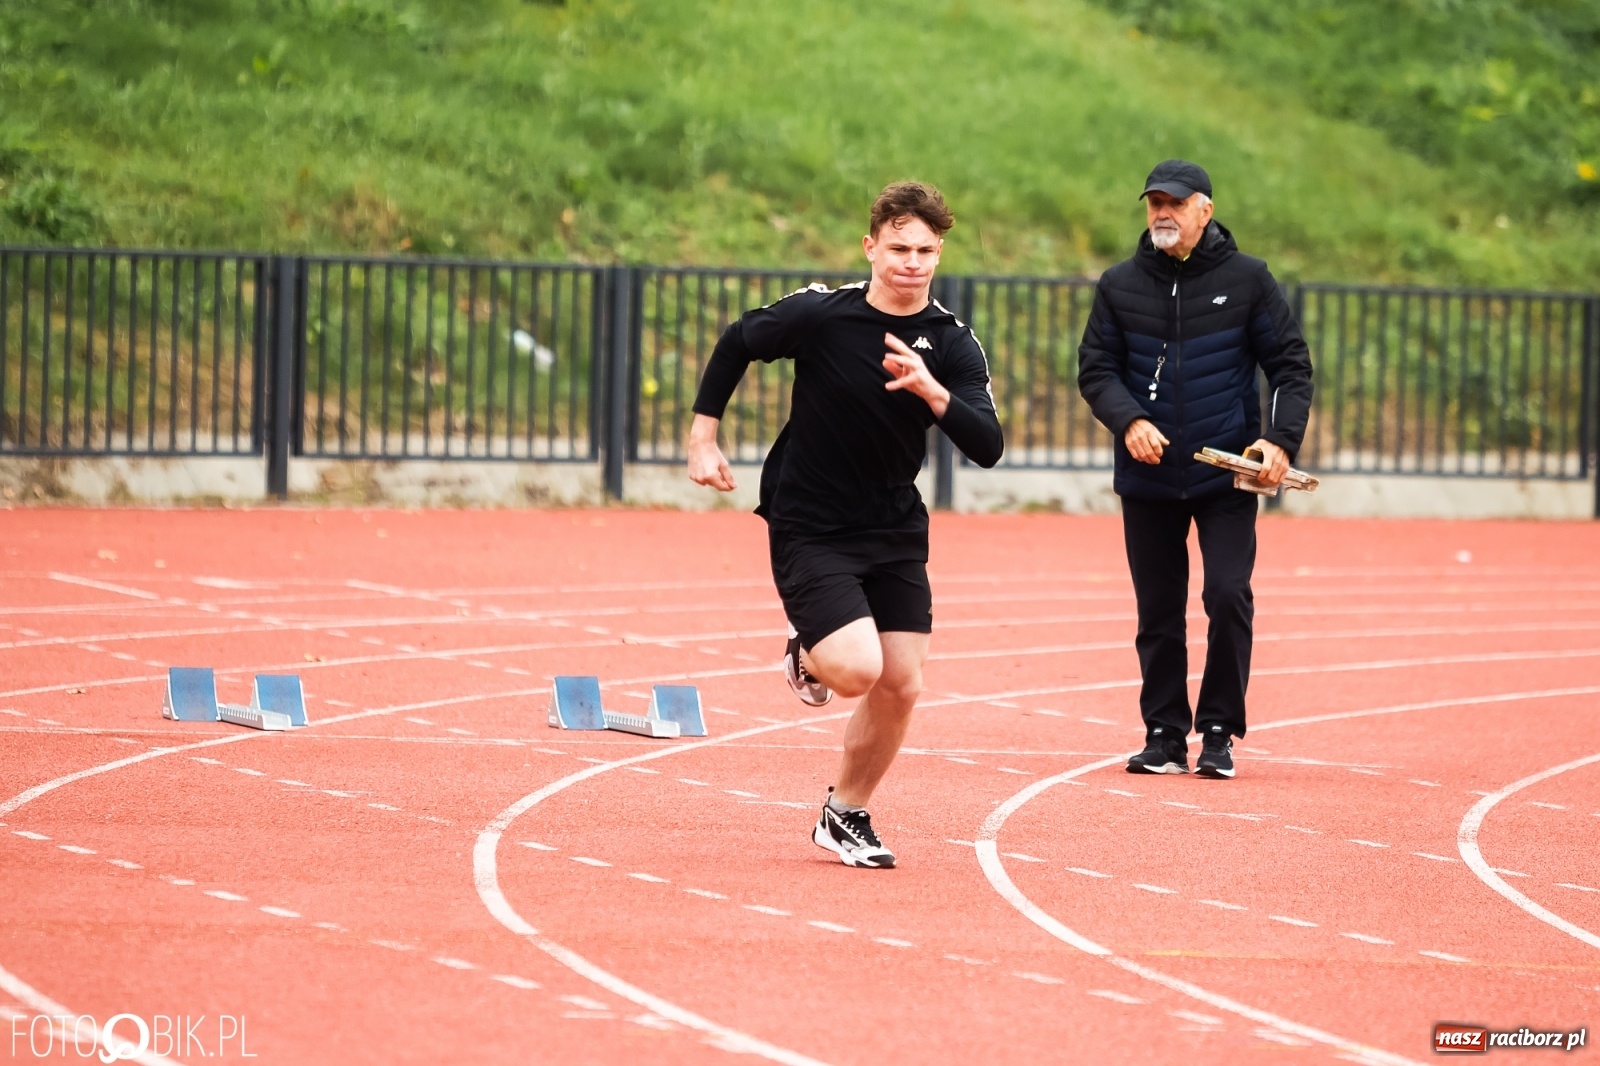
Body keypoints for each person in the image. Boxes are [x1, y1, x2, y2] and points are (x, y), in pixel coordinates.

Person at [687, 181, 1004, 867]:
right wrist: (702, 438)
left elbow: (988, 445)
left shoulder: (951, 344)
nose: (911, 262)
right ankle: (809, 653)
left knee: (903, 682)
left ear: (939, 254)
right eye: (898, 247)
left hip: (893, 526)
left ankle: (846, 813)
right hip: (811, 520)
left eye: (924, 250)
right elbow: (739, 340)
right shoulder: (822, 315)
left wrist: (931, 390)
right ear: (871, 247)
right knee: (857, 670)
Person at [1077, 159, 1313, 779]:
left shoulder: (1249, 280)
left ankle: (1218, 731)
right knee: (1157, 609)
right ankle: (1162, 731)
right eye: (1154, 202)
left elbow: (1290, 366)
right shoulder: (1118, 284)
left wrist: (1279, 441)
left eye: (1175, 203)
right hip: (1148, 476)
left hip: (1224, 475)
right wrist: (1129, 421)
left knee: (1227, 595)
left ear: (1204, 210)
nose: (1162, 213)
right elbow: (1095, 370)